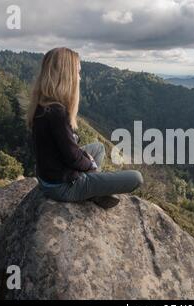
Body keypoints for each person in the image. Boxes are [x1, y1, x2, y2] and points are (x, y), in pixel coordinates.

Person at [26, 47, 143, 209]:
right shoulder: (57, 112)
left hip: (49, 177)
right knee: (136, 178)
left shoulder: (43, 106)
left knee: (98, 147)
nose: (80, 78)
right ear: (66, 76)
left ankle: (95, 190)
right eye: (78, 73)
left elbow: (67, 147)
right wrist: (90, 165)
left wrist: (86, 159)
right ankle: (94, 191)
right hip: (62, 186)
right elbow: (72, 157)